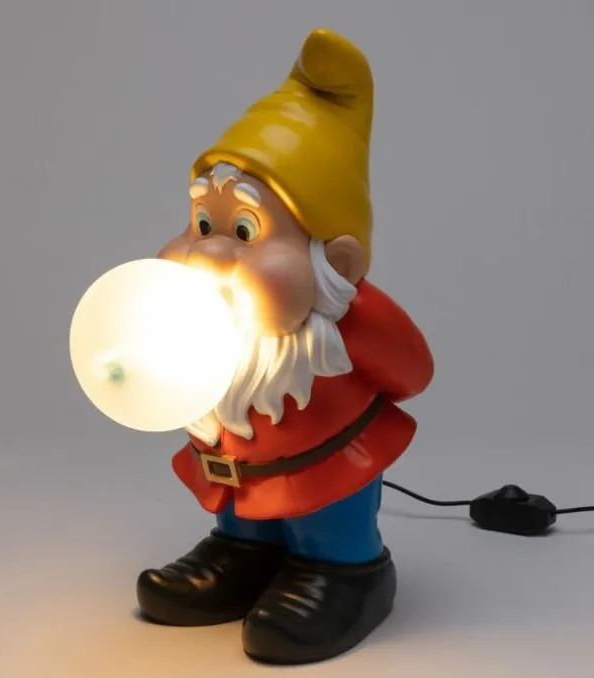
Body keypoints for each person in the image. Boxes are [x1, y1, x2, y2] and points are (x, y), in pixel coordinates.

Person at [139, 27, 434, 665]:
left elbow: (413, 373)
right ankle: (243, 550)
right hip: (237, 465)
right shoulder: (207, 320)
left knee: (328, 515)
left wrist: (366, 320)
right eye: (202, 224)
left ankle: (344, 571)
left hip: (331, 464)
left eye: (245, 231)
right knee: (241, 500)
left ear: (336, 263)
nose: (209, 253)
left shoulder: (347, 323)